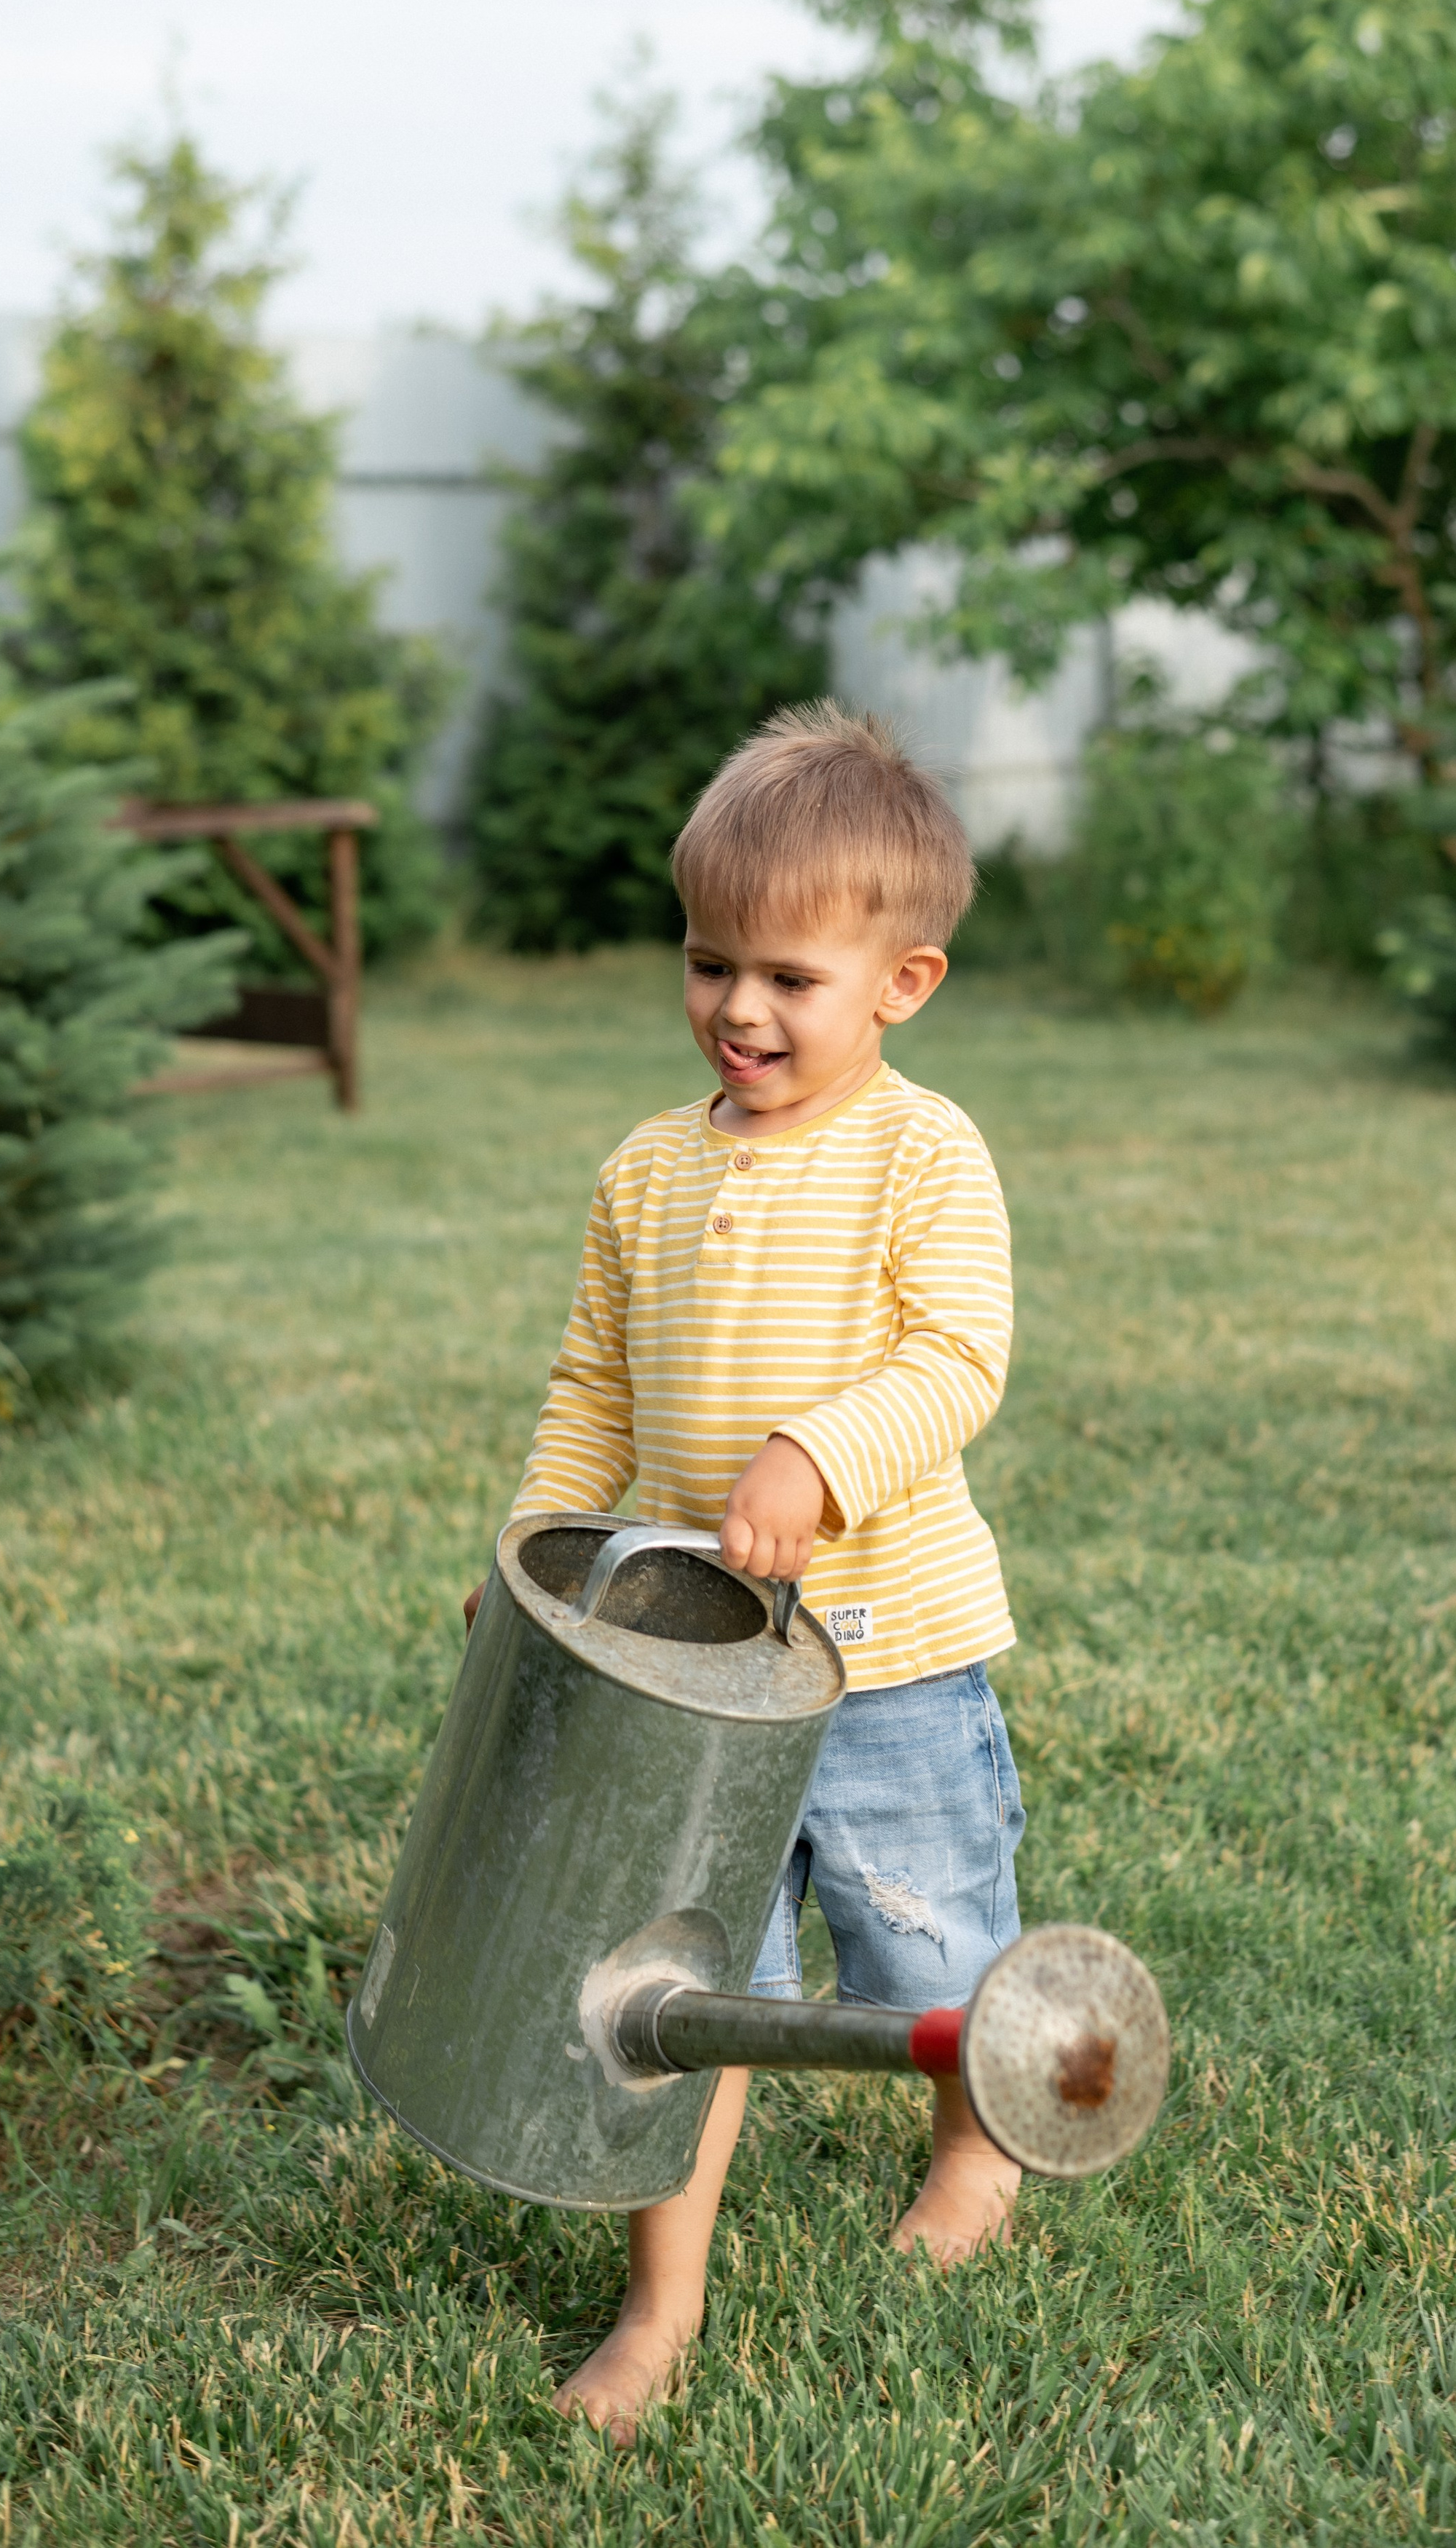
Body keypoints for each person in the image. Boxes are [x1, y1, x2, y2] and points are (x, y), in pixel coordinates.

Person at [465, 701, 1024, 2442]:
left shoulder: (921, 1153)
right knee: (679, 1986)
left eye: (789, 975)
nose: (738, 1007)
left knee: (925, 1945)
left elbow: (957, 1357)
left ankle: (976, 2143)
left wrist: (817, 1454)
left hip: (887, 1657)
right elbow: (593, 1389)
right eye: (710, 962)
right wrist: (540, 1555)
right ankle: (661, 2304)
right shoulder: (647, 1167)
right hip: (691, 1675)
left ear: (902, 983)